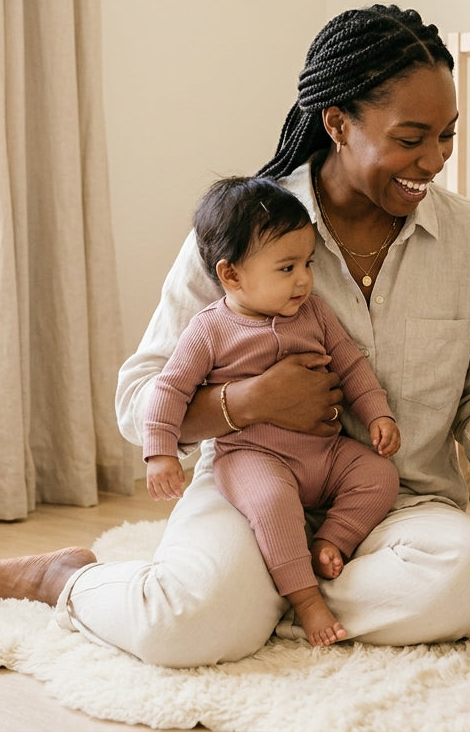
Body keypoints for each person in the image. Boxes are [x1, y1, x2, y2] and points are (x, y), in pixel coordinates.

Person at [0, 4, 470, 667]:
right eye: (411, 138)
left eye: (447, 135)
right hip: (248, 490)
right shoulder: (243, 229)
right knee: (180, 629)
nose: (433, 161)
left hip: (395, 505)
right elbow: (138, 397)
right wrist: (248, 402)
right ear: (337, 124)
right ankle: (71, 579)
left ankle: (265, 601)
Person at [143, 175, 402, 647]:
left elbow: (351, 365)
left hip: (324, 453)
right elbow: (170, 389)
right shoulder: (209, 330)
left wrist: (377, 414)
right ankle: (307, 601)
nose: (304, 278)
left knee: (379, 476)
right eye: (286, 268)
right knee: (272, 504)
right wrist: (160, 454)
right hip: (254, 458)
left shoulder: (314, 313)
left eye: (307, 263)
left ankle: (331, 542)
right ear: (231, 276)